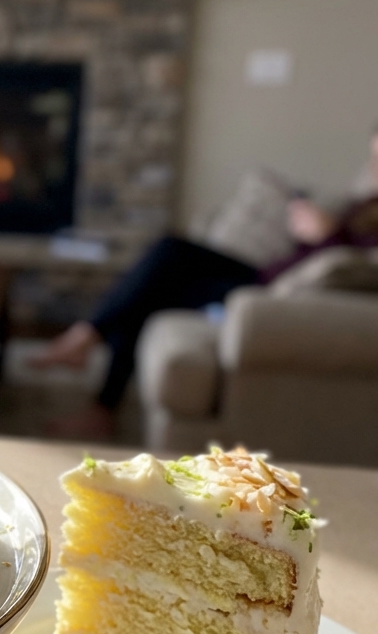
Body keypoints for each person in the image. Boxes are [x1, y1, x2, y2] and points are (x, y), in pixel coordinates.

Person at [35, 130, 378, 439]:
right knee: (166, 261)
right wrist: (306, 224)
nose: (373, 168)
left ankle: (87, 342)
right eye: (372, 157)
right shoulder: (364, 203)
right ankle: (96, 387)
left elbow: (349, 265)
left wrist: (329, 233)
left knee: (163, 269)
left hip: (266, 296)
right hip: (263, 275)